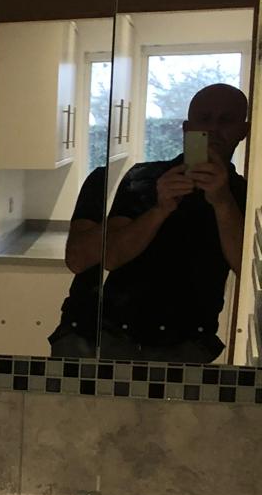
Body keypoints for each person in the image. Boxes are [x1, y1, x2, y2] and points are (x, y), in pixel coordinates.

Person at [49, 82, 249, 362]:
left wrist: (223, 201)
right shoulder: (143, 178)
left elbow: (248, 271)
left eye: (226, 120)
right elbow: (107, 258)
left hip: (185, 343)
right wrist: (159, 209)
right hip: (98, 334)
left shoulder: (246, 196)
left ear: (243, 131)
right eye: (204, 119)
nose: (214, 129)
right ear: (187, 128)